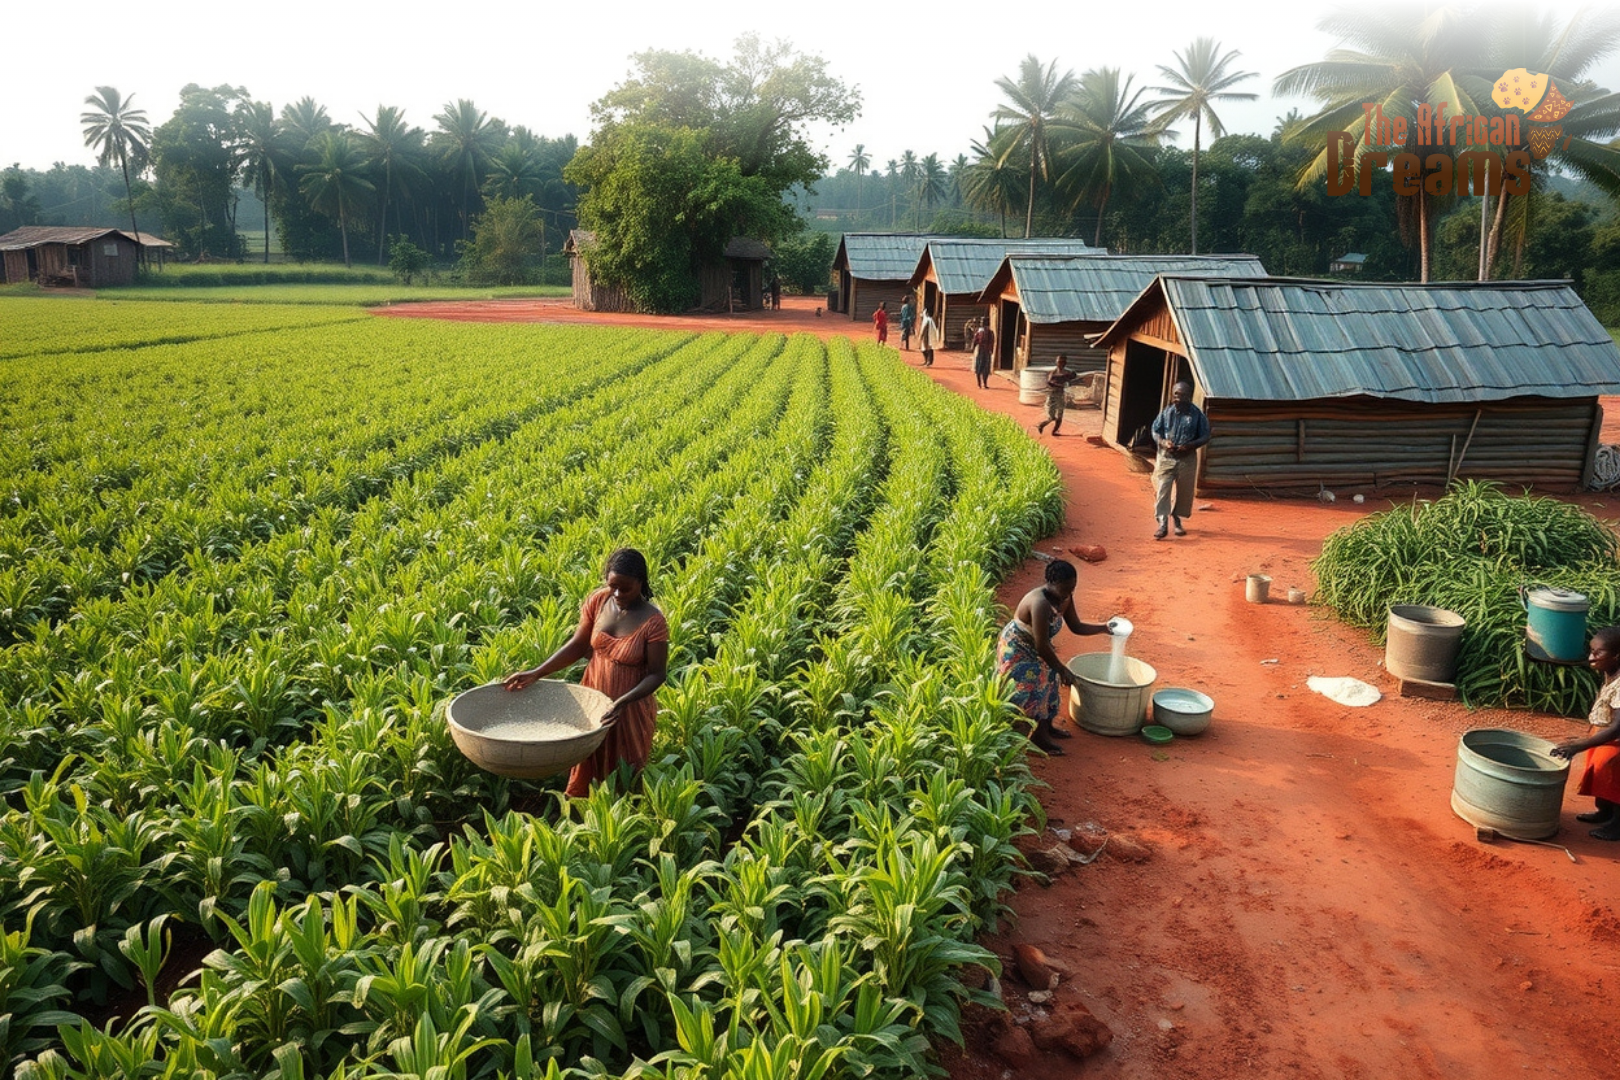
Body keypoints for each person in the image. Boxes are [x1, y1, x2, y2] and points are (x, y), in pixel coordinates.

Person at [503, 548, 669, 797]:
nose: (617, 594)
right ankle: (579, 821)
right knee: (587, 759)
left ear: (641, 583)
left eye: (626, 589)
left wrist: (622, 702)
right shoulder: (599, 601)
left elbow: (657, 674)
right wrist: (537, 673)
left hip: (630, 707)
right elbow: (579, 646)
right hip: (593, 696)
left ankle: (617, 827)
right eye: (612, 586)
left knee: (624, 769)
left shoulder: (653, 621)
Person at [996, 559, 1111, 754]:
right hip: (1019, 648)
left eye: (1072, 589)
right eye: (1064, 589)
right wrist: (1061, 668)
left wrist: (1105, 628)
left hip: (1039, 646)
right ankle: (1038, 739)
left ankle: (1046, 727)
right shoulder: (1039, 603)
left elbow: (1076, 626)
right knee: (1033, 687)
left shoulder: (1065, 598)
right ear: (1050, 583)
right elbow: (1041, 646)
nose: (1068, 594)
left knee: (1050, 681)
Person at [1551, 626, 1620, 840]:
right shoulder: (1611, 673)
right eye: (1591, 651)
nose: (1591, 657)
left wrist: (1579, 745)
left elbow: (1618, 727)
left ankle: (1617, 825)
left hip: (1615, 739)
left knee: (1612, 778)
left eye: (1598, 653)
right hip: (1604, 733)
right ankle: (1604, 812)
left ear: (1617, 656)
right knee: (1599, 776)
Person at [1150, 381, 1212, 540]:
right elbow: (1155, 430)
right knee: (1163, 489)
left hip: (1187, 459)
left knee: (1184, 492)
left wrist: (1191, 445)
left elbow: (1205, 435)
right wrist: (1163, 443)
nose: (1178, 398)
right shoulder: (1166, 413)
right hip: (1166, 458)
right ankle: (1162, 524)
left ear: (1189, 397)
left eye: (1182, 395)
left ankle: (1177, 519)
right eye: (1176, 395)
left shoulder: (1197, 415)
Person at [1036, 355, 1080, 437]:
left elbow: (1074, 377)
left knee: (1060, 414)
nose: (1060, 363)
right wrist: (1057, 385)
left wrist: (1063, 383)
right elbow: (1049, 383)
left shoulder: (1067, 373)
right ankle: (1041, 425)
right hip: (1052, 394)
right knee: (1050, 415)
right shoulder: (1053, 372)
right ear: (1056, 362)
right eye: (1059, 362)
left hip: (1060, 395)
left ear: (1065, 363)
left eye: (1062, 362)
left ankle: (1054, 431)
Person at [971, 320, 995, 390]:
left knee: (979, 367)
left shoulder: (979, 332)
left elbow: (975, 341)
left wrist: (973, 348)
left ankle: (979, 384)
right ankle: (985, 384)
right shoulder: (991, 332)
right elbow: (992, 342)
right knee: (986, 368)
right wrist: (991, 350)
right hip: (987, 352)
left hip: (980, 351)